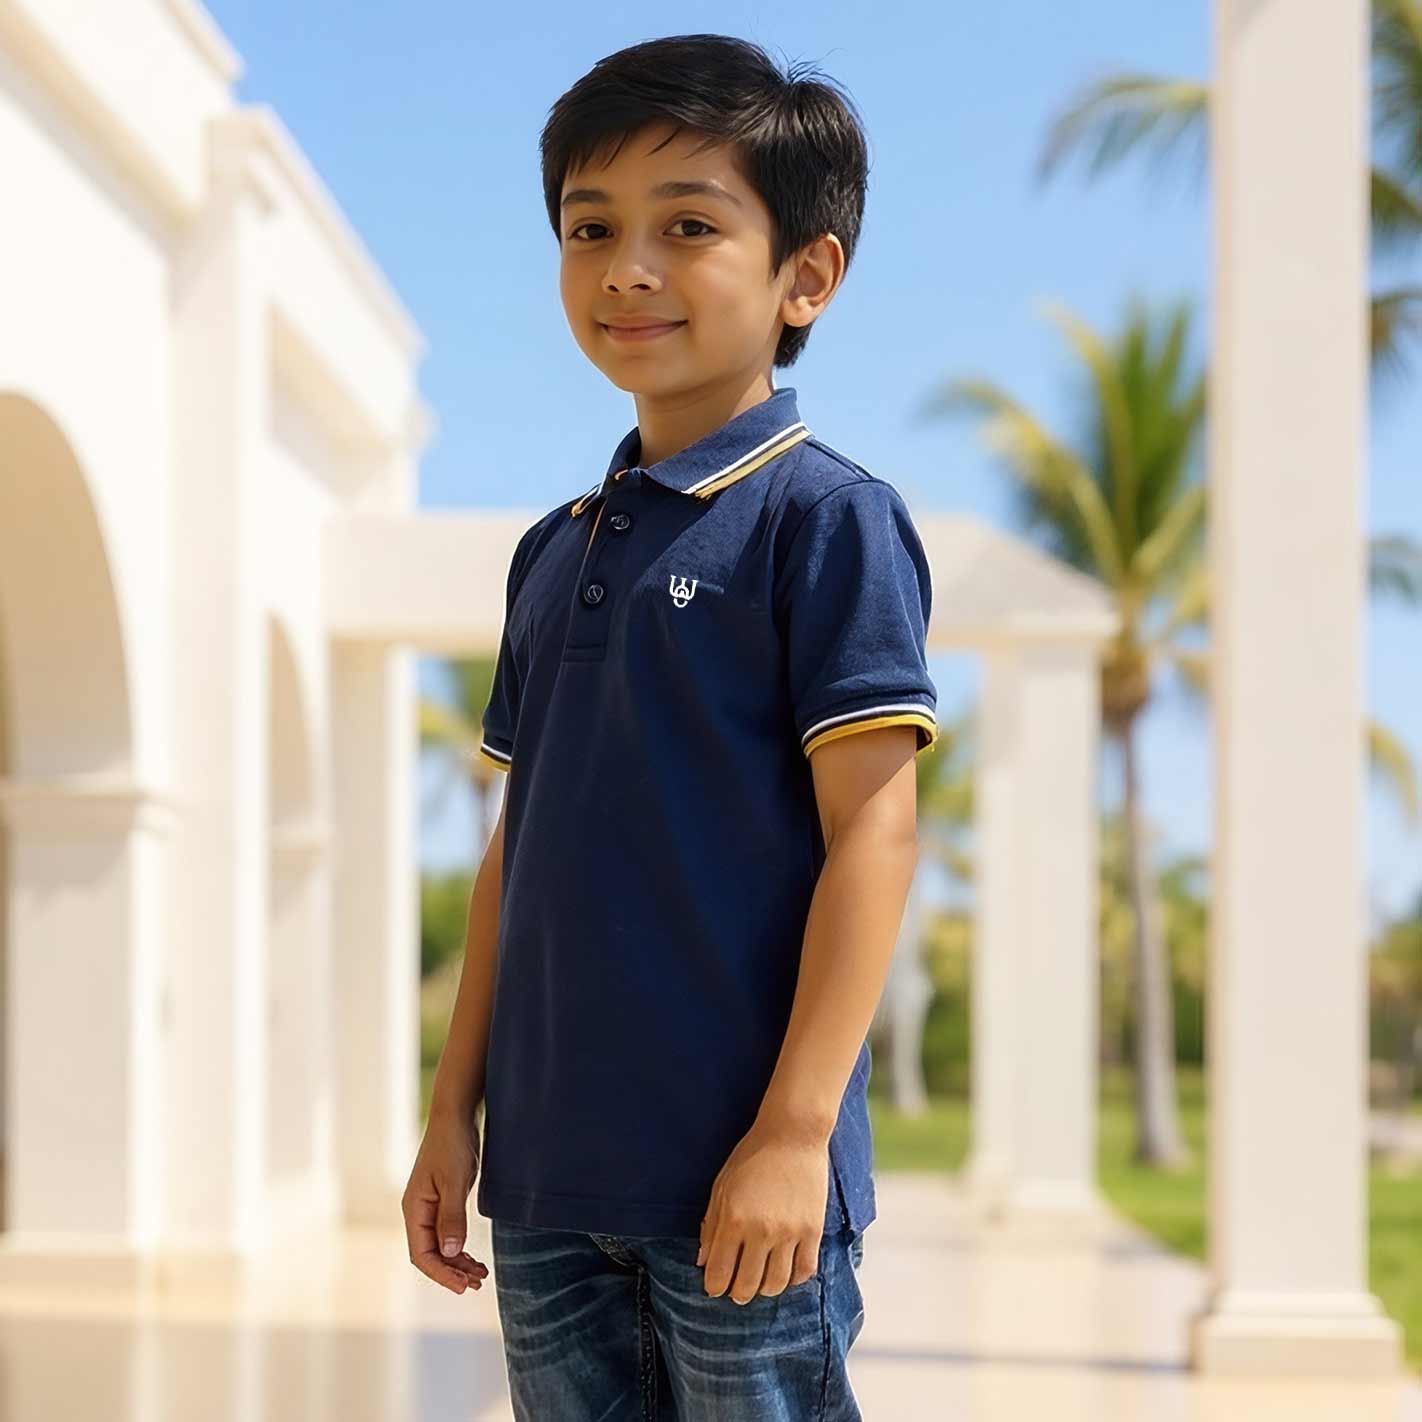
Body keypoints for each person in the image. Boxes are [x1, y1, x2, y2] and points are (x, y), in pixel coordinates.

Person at [402, 32, 939, 1420]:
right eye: (591, 229)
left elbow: (873, 834)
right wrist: (453, 1112)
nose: (626, 266)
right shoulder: (551, 549)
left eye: (687, 225)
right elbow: (518, 855)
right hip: (547, 1183)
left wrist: (794, 1131)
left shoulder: (827, 519)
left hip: (740, 1184)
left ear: (804, 275)